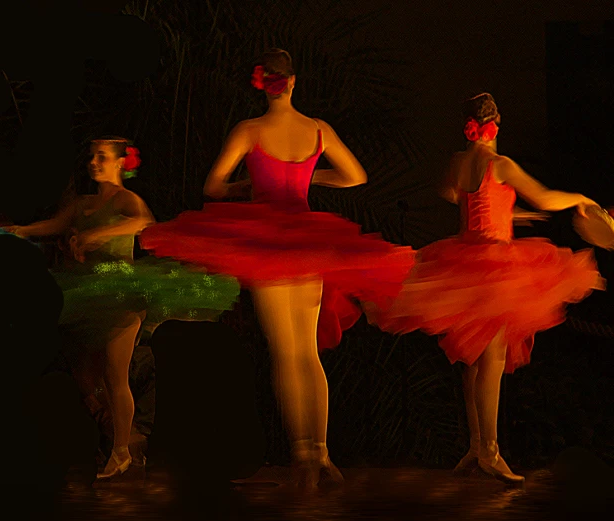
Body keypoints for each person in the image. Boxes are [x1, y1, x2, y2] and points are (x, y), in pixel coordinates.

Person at [139, 49, 416, 488]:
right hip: (308, 242)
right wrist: (310, 178)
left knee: (285, 353)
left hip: (266, 244)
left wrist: (247, 185)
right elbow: (355, 176)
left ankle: (302, 455)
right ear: (293, 82)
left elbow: (213, 186)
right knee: (308, 353)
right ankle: (322, 453)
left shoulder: (249, 131)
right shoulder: (317, 129)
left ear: (262, 83)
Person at [365, 93, 605, 485]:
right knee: (490, 357)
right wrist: (582, 198)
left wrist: (508, 212)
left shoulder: (460, 163)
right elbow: (544, 196)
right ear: (497, 125)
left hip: (464, 257)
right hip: (494, 265)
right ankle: (490, 451)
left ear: (469, 126)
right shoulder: (500, 163)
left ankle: (477, 445)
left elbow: (457, 197)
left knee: (474, 357)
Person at [4, 137, 240, 479]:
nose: (94, 163)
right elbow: (54, 224)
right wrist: (23, 230)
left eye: (102, 157)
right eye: (91, 157)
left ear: (119, 163)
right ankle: (124, 441)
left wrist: (100, 235)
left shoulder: (128, 200)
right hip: (87, 293)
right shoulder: (81, 203)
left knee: (116, 377)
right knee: (87, 379)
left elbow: (142, 222)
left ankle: (120, 452)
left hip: (120, 294)